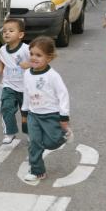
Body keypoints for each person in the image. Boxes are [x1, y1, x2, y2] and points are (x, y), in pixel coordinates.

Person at [21, 36, 74, 182]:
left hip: (51, 115)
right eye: (31, 54)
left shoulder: (53, 76)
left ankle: (64, 134)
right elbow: (26, 93)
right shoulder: (27, 74)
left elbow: (63, 95)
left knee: (52, 142)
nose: (33, 58)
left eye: (38, 55)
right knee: (34, 143)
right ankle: (37, 170)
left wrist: (64, 117)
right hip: (33, 115)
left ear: (49, 58)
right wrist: (24, 114)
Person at [0, 19, 30, 144]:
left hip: (25, 88)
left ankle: (29, 133)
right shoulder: (2, 49)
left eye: (11, 31)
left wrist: (29, 63)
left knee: (26, 113)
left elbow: (37, 58)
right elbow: (2, 59)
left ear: (20, 35)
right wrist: (0, 68)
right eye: (4, 31)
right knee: (6, 108)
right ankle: (9, 133)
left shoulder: (26, 49)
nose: (7, 33)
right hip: (9, 85)